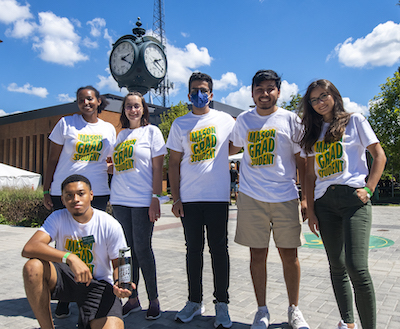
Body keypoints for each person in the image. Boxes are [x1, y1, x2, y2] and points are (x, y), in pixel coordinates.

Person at [299, 79, 386, 329]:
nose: (319, 103)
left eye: (323, 96)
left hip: (353, 200)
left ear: (334, 96)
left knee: (356, 267)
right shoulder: (312, 132)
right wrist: (311, 210)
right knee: (337, 266)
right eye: (314, 100)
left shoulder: (355, 121)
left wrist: (369, 188)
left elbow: (379, 155)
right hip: (324, 204)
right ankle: (347, 323)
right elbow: (309, 175)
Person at [230, 70, 309, 329]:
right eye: (259, 89)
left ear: (278, 91)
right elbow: (230, 147)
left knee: (290, 255)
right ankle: (261, 310)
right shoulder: (243, 120)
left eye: (270, 88)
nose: (265, 93)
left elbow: (302, 162)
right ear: (252, 92)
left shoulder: (291, 120)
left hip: (286, 197)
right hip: (252, 197)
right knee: (257, 256)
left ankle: (294, 309)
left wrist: (305, 198)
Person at [166, 72, 235, 328]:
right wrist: (176, 198)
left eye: (204, 89)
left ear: (212, 94)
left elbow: (236, 146)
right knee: (193, 251)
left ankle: (222, 304)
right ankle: (194, 301)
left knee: (219, 251)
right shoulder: (179, 124)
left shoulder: (225, 120)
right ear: (188, 95)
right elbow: (173, 163)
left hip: (217, 198)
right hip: (190, 199)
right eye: (195, 90)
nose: (199, 94)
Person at [42, 85, 116, 318]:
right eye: (82, 100)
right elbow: (52, 158)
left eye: (90, 99)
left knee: (91, 242)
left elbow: (110, 159)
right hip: (65, 191)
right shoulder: (66, 124)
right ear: (78, 103)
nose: (86, 103)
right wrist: (46, 188)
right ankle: (65, 295)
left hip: (97, 190)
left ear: (98, 101)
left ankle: (90, 291)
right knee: (64, 241)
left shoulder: (108, 128)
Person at [22, 174, 132, 329]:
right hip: (67, 279)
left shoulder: (109, 224)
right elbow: (30, 247)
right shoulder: (58, 217)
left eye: (81, 193)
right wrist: (70, 257)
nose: (75, 199)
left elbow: (118, 264)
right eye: (69, 195)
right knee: (32, 266)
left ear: (91, 195)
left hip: (98, 285)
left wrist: (119, 283)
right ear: (63, 199)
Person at [110, 91, 166, 320]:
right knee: (126, 252)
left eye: (137, 106)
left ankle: (153, 299)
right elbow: (122, 166)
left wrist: (156, 198)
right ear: (124, 110)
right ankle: (132, 299)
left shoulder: (152, 132)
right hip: (120, 200)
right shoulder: (121, 135)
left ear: (143, 109)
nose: (133, 110)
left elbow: (156, 169)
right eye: (129, 106)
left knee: (143, 249)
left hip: (142, 200)